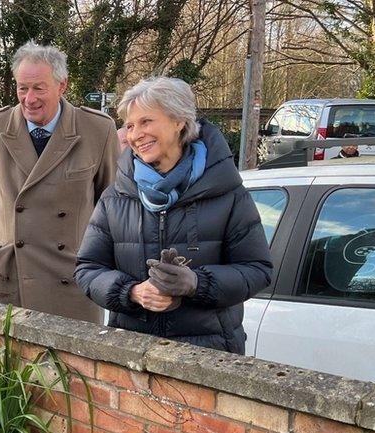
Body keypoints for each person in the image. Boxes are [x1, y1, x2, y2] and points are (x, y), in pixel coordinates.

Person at [74, 76, 272, 353]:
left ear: (179, 121)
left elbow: (257, 269)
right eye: (130, 126)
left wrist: (197, 283)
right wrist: (131, 292)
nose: (134, 134)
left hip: (208, 354)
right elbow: (87, 269)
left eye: (146, 122)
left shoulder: (228, 193)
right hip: (132, 352)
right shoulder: (116, 196)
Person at [0, 40, 118, 323]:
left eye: (39, 88)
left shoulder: (98, 130)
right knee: (3, 365)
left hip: (71, 277)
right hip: (6, 273)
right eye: (22, 88)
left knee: (69, 366)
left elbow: (109, 204)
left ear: (62, 86)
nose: (29, 99)